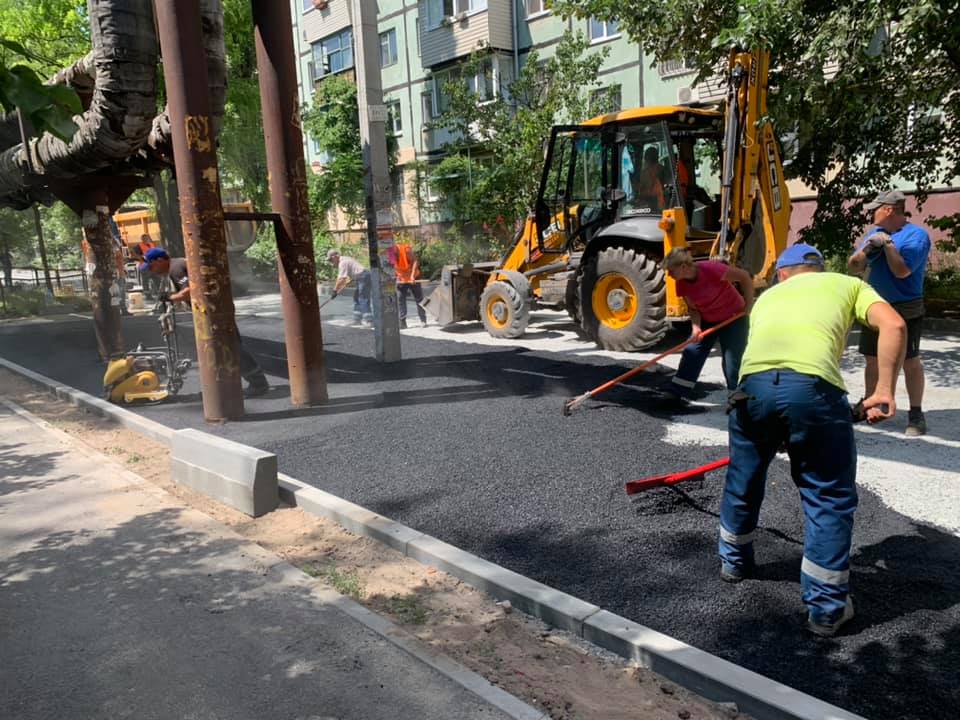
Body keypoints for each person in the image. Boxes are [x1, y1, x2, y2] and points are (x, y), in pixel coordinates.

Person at [718, 243, 906, 637]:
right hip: (811, 391)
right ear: (819, 269)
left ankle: (733, 562)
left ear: (783, 273)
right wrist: (883, 390)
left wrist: (781, 426)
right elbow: (895, 325)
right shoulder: (847, 285)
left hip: (750, 391)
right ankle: (825, 610)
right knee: (828, 494)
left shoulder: (769, 296)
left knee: (745, 475)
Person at [847, 190, 931, 436]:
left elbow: (902, 271)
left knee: (909, 361)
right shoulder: (874, 233)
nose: (871, 213)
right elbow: (854, 267)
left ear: (889, 209)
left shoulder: (917, 236)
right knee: (872, 358)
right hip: (876, 305)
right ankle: (870, 402)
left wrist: (889, 246)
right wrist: (866, 250)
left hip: (906, 306)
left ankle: (916, 413)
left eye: (875, 208)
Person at [140, 248, 270, 397]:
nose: (151, 271)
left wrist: (170, 298)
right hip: (215, 308)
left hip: (214, 311)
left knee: (230, 346)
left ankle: (258, 383)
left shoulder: (175, 268)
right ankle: (230, 384)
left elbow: (190, 290)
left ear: (160, 260)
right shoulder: (177, 265)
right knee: (224, 347)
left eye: (151, 267)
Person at [662, 248, 753, 399]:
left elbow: (744, 277)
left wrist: (749, 305)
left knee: (733, 357)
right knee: (692, 350)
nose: (669, 275)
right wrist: (696, 327)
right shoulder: (681, 284)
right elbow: (693, 309)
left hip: (734, 317)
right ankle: (678, 392)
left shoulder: (712, 269)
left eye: (671, 271)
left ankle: (736, 394)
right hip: (708, 319)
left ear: (683, 267)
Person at [326, 249, 372, 326]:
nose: (331, 262)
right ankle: (357, 319)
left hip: (364, 276)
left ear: (335, 257)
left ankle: (369, 320)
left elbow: (341, 279)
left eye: (331, 259)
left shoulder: (343, 262)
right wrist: (348, 281)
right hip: (362, 276)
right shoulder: (344, 259)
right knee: (356, 298)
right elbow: (348, 276)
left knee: (363, 298)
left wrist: (335, 290)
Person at [391, 241, 427, 329]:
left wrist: (412, 276)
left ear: (395, 247)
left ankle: (423, 320)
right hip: (401, 279)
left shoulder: (405, 249)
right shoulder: (389, 252)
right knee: (400, 299)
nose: (393, 254)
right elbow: (392, 266)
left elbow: (415, 261)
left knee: (419, 299)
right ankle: (402, 322)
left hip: (413, 277)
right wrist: (395, 277)